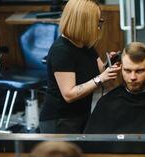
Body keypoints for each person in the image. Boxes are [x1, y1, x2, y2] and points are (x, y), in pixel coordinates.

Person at [39, 0, 121, 133]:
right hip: (60, 120)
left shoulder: (85, 45)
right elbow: (69, 94)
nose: (99, 27)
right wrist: (100, 78)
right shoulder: (61, 51)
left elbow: (100, 71)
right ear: (83, 23)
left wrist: (109, 64)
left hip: (81, 114)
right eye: (97, 23)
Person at [83, 42, 145, 134]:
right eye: (127, 70)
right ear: (120, 68)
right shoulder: (107, 103)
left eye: (139, 71)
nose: (133, 77)